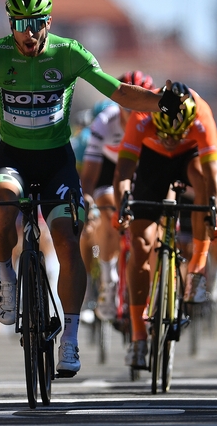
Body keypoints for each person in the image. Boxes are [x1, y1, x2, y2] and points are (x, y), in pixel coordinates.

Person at [0, 0, 186, 377]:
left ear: (48, 22)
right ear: (10, 25)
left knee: (66, 238)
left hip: (56, 162)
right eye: (19, 24)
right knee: (0, 203)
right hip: (13, 158)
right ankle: (8, 278)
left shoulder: (69, 53)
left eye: (35, 24)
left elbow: (118, 92)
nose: (28, 33)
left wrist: (159, 100)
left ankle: (70, 338)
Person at [114, 82, 217, 370]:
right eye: (166, 133)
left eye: (178, 133)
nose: (171, 139)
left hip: (189, 159)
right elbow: (124, 170)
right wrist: (121, 206)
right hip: (152, 162)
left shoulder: (201, 116)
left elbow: (215, 176)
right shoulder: (142, 116)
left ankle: (197, 269)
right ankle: (139, 336)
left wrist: (216, 215)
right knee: (141, 245)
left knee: (202, 182)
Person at [81, 71, 154, 321]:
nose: (134, 113)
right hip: (110, 169)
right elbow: (90, 174)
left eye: (141, 106)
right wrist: (88, 199)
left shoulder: (156, 122)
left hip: (141, 169)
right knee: (109, 210)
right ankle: (108, 279)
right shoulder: (104, 122)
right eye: (128, 106)